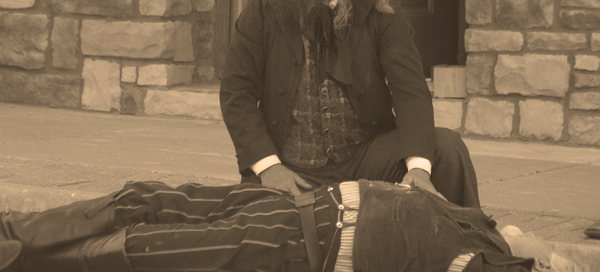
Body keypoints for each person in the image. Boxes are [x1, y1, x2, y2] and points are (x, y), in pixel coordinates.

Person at [219, 0, 479, 207]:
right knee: (269, 229)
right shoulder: (265, 4)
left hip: (364, 160)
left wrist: (419, 169)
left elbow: (410, 90)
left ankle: (469, 234)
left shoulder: (381, 10)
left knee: (447, 149)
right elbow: (236, 91)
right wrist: (268, 167)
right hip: (288, 166)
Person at [0, 179, 536, 272]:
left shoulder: (484, 255)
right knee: (148, 200)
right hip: (299, 207)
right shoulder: (485, 236)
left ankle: (16, 255)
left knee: (150, 246)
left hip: (295, 245)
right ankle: (11, 232)